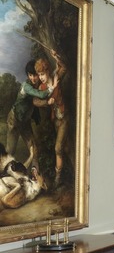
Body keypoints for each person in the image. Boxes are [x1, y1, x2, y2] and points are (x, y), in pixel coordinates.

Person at [6, 60, 51, 170]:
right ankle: (3, 176)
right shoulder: (26, 86)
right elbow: (39, 95)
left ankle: (36, 175)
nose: (33, 78)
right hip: (14, 120)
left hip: (25, 122)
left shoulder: (39, 84)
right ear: (28, 75)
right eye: (30, 75)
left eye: (35, 75)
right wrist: (51, 89)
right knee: (10, 151)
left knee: (33, 148)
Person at [35, 51, 68, 189]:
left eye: (42, 74)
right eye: (39, 75)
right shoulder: (42, 87)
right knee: (62, 148)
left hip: (64, 117)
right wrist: (47, 103)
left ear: (47, 71)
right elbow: (35, 101)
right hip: (55, 120)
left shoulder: (56, 76)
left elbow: (64, 67)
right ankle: (64, 173)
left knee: (58, 148)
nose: (41, 77)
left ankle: (58, 179)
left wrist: (56, 56)